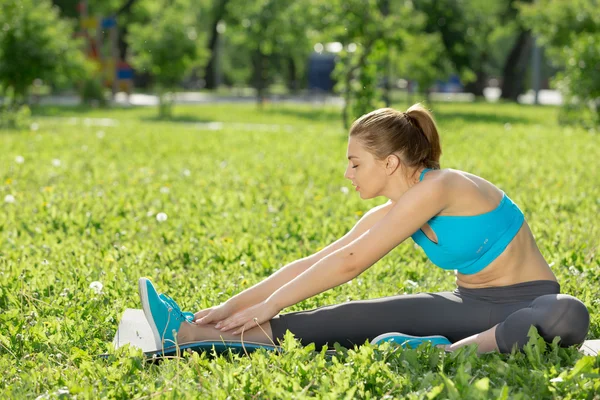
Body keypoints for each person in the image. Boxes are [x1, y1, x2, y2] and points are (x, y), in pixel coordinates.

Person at [138, 104, 590, 355]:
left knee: (569, 313)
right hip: (469, 305)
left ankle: (447, 354)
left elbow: (351, 264)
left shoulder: (443, 186)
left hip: (526, 305)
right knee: (353, 316)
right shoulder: (395, 209)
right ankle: (192, 332)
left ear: (390, 162)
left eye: (356, 163)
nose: (349, 174)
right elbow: (317, 262)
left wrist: (270, 306)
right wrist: (224, 308)